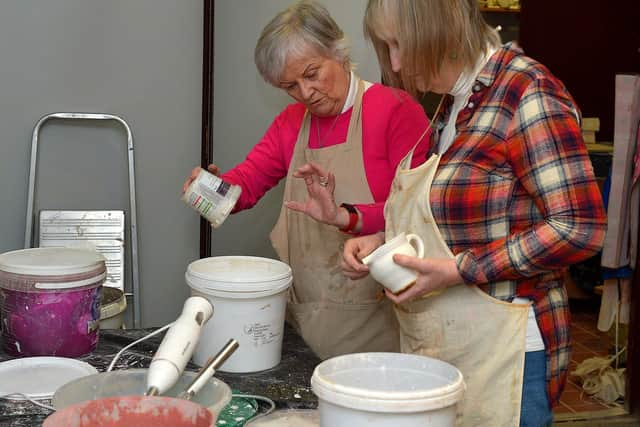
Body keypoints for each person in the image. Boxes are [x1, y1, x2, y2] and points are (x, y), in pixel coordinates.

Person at [340, 1, 607, 425]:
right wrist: (382, 243)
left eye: (401, 44)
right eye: (386, 46)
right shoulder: (453, 105)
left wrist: (459, 270)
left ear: (442, 31)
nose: (395, 62)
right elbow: (458, 218)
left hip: (509, 352)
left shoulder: (526, 90)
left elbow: (579, 228)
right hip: (451, 346)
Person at [183, 0, 431, 359]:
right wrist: (210, 189)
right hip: (306, 325)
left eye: (312, 74)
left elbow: (418, 213)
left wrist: (350, 217)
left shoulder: (396, 112)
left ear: (339, 51)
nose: (305, 92)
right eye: (290, 86)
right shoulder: (291, 122)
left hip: (382, 323)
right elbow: (247, 183)